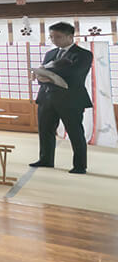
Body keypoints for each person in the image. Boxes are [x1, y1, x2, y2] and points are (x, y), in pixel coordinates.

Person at [30, 22, 94, 174]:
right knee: (45, 130)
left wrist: (50, 77)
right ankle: (46, 159)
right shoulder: (50, 54)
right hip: (46, 97)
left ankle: (79, 165)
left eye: (57, 37)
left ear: (70, 37)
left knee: (75, 132)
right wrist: (41, 77)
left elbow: (75, 75)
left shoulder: (83, 54)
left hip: (70, 99)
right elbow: (41, 74)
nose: (54, 40)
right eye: (51, 37)